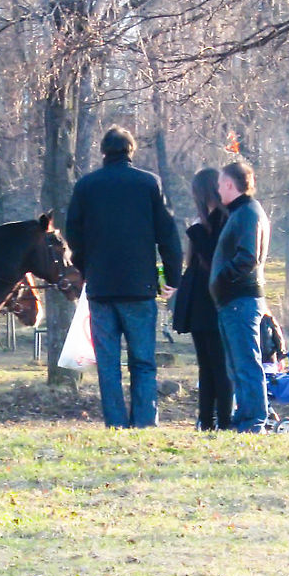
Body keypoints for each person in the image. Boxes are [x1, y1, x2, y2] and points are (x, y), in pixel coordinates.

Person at [66, 125, 182, 429]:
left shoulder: (86, 186)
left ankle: (116, 423)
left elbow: (73, 235)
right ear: (131, 151)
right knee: (143, 362)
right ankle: (144, 422)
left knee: (108, 364)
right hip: (139, 287)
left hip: (101, 288)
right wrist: (172, 275)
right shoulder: (149, 184)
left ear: (103, 152)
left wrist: (85, 268)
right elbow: (167, 235)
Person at [208, 161, 271, 433]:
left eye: (221, 184)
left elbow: (248, 257)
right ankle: (245, 417)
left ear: (230, 185)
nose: (218, 189)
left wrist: (222, 279)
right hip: (232, 301)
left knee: (246, 363)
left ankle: (254, 420)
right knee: (237, 364)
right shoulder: (241, 213)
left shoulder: (247, 213)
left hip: (240, 300)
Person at [172, 169, 233, 430]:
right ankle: (206, 418)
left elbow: (213, 258)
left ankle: (223, 418)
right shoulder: (207, 220)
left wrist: (196, 231)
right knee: (206, 365)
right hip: (199, 300)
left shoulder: (222, 219)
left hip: (212, 300)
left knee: (218, 364)